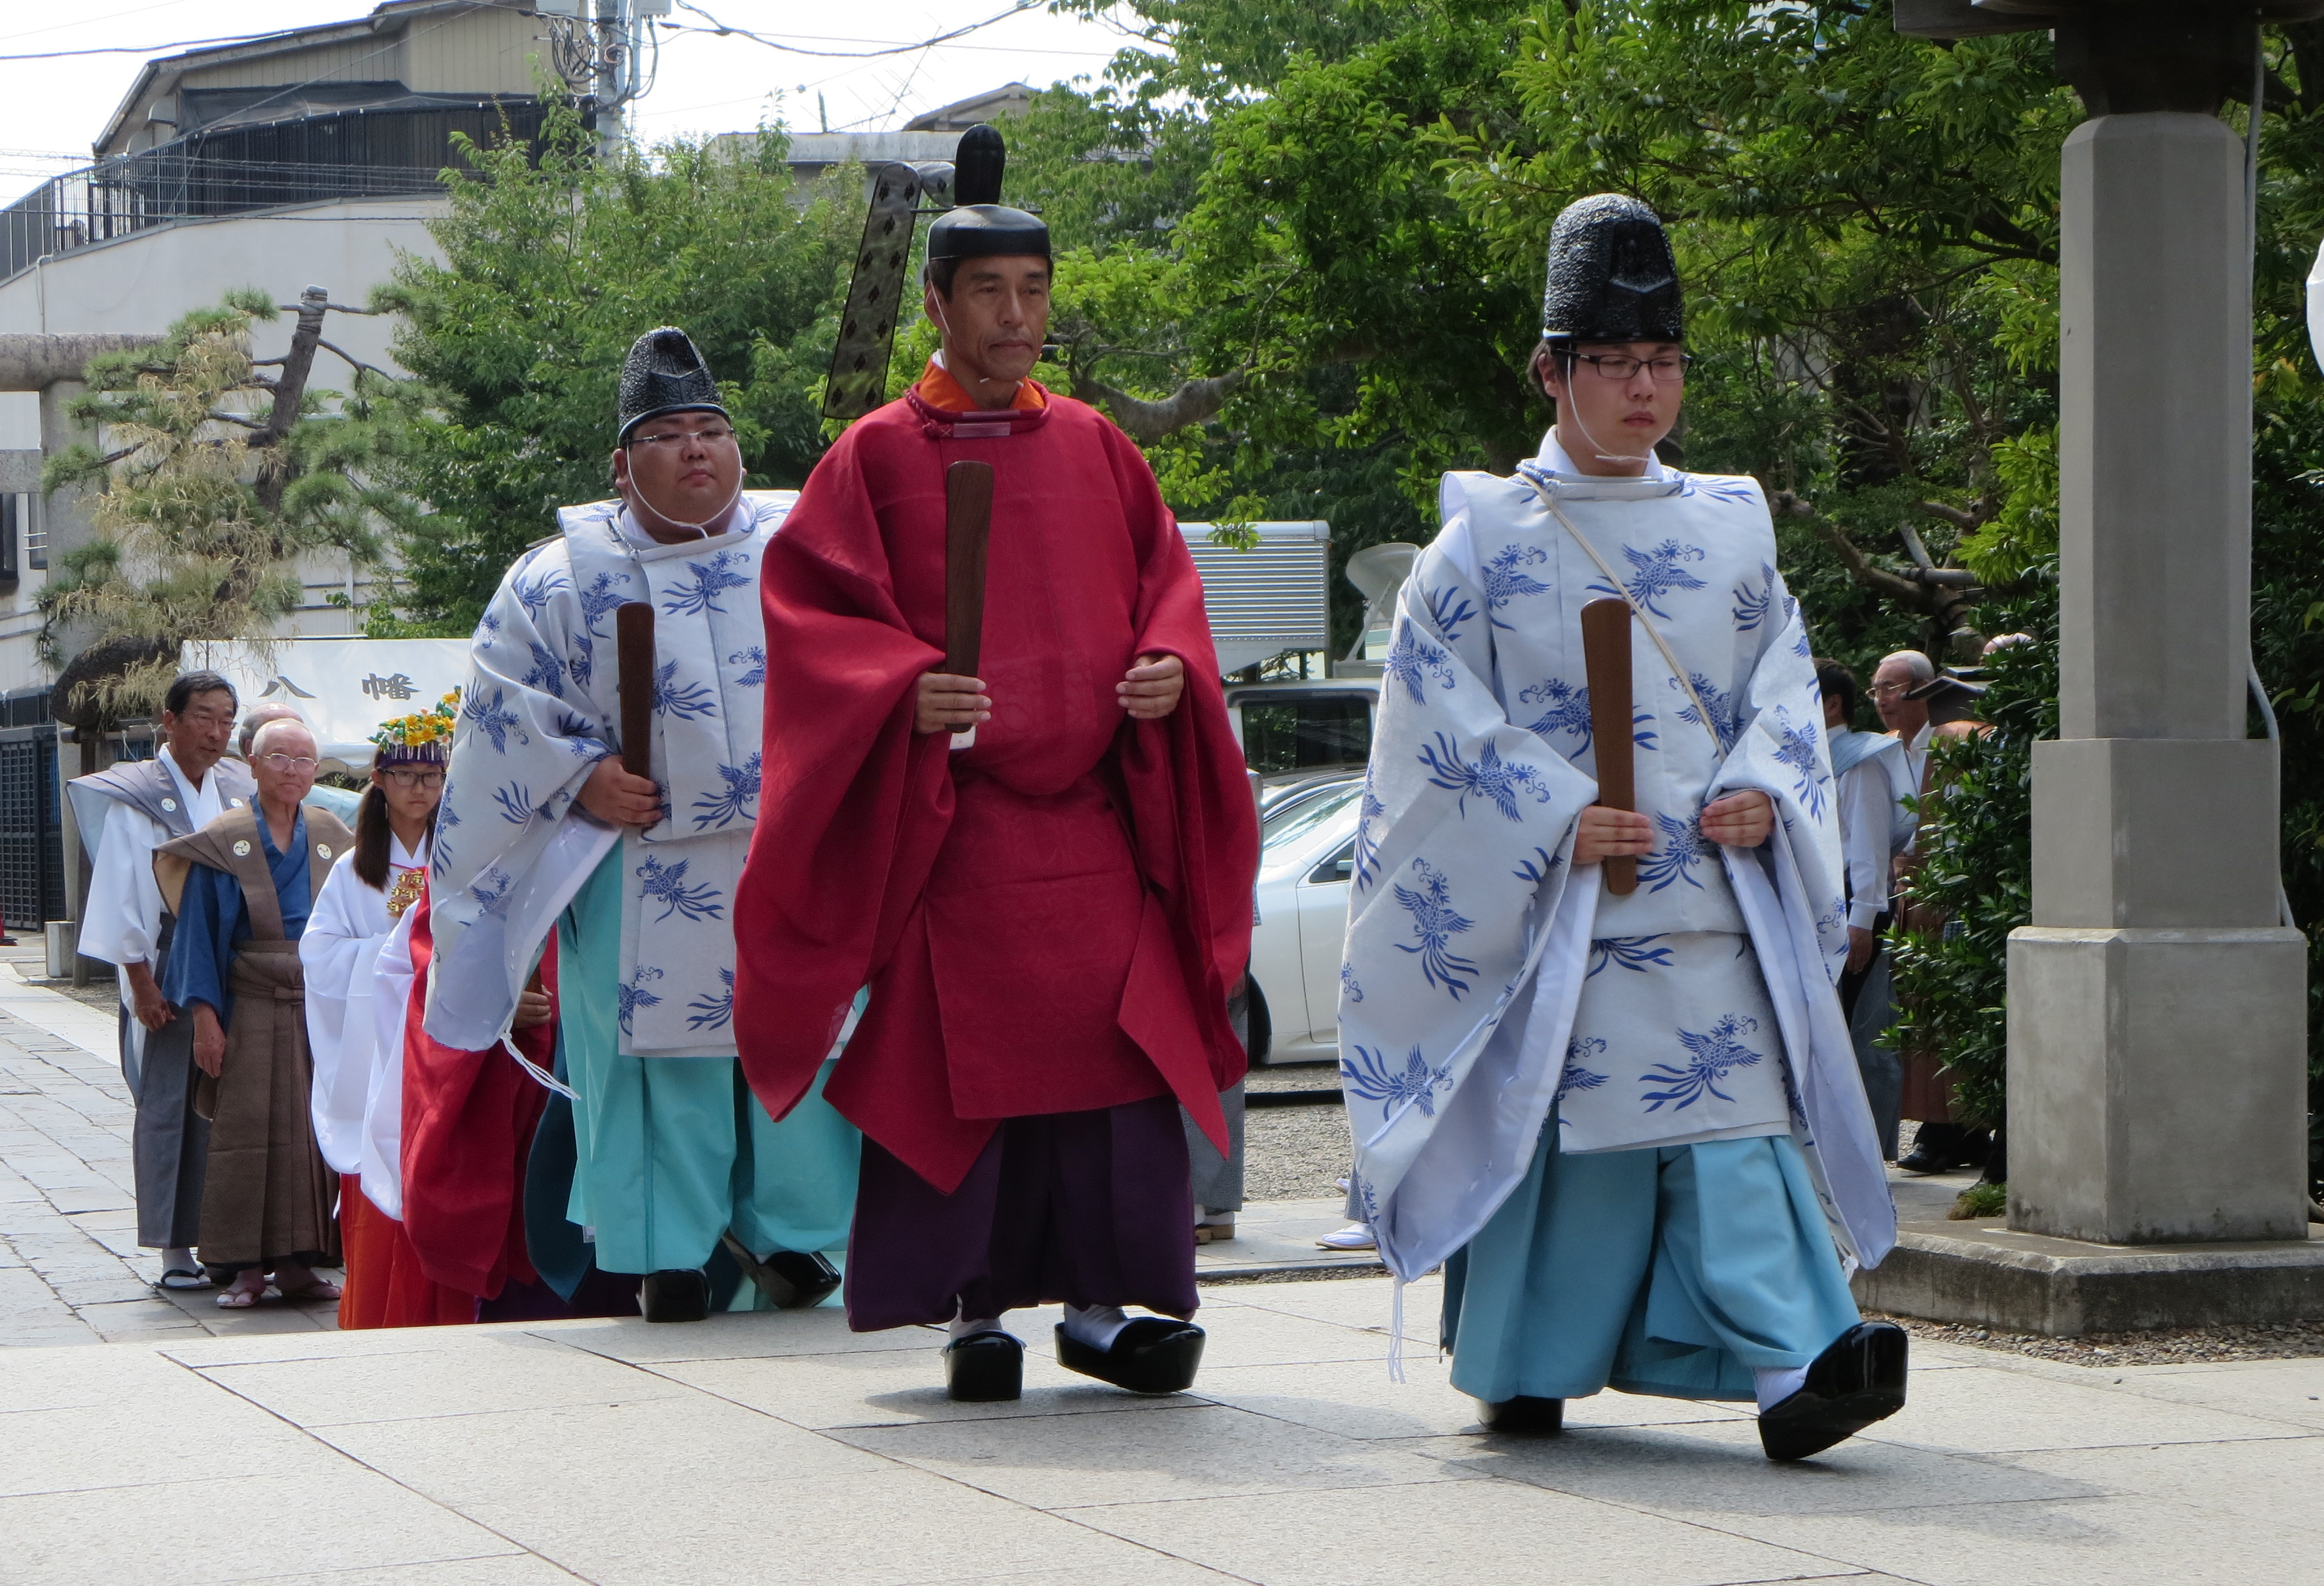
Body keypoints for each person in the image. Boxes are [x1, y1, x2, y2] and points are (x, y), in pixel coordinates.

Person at [1339, 193, 1903, 1462]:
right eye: (1612, 363)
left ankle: (1793, 1369)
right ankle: (1528, 1361)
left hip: (1708, 890)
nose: (1643, 389)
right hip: (1568, 909)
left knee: (1728, 1121)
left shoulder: (1733, 520)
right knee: (1570, 1135)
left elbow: (1782, 685)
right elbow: (1432, 723)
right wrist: (1549, 820)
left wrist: (1768, 784)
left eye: (1661, 363)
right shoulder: (1480, 539)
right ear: (1552, 370)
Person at [735, 190, 1259, 1403]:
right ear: (936, 302)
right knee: (956, 1081)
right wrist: (896, 689)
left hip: (1089, 825)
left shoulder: (1095, 443)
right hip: (953, 833)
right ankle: (973, 1312)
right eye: (989, 291)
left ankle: (1102, 1307)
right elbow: (812, 622)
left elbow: (1166, 587)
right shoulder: (870, 455)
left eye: (1033, 289)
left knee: (1115, 1086)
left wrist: (1166, 667)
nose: (1017, 315)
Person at [421, 326, 860, 1324]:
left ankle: (807, 1246)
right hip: (634, 863)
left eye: (713, 430)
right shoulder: (555, 577)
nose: (697, 449)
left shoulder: (806, 547)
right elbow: (498, 721)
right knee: (654, 1067)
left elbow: (870, 669)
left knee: (807, 1044)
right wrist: (581, 782)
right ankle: (665, 1257)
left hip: (790, 856)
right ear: (623, 466)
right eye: (669, 436)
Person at [302, 697, 494, 1327]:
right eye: (407, 776)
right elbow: (321, 958)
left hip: (440, 1040)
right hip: (377, 1039)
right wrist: (393, 956)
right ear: (379, 781)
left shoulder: (463, 860)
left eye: (434, 776)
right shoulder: (353, 873)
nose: (421, 788)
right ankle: (380, 1312)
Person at [72, 671, 256, 1292]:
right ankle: (175, 1245)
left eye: (227, 719)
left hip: (235, 962)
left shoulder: (238, 786)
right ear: (169, 721)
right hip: (166, 958)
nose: (216, 731)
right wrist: (141, 982)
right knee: (171, 1103)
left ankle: (229, 1239)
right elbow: (122, 892)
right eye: (203, 716)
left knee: (236, 1105)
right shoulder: (139, 795)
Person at [154, 719, 349, 1308]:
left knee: (312, 1136)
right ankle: (243, 1268)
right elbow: (197, 936)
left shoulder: (333, 834)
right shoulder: (227, 837)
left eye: (305, 761)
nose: (292, 770)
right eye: (280, 758)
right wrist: (206, 1021)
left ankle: (297, 1264)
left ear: (318, 772)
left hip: (317, 1005)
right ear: (254, 764)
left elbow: (379, 903)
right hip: (249, 1004)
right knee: (245, 1134)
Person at [1817, 659, 1912, 1160]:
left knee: (1864, 1030)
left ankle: (1870, 1150)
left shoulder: (1860, 761)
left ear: (1833, 704)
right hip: (1823, 905)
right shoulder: (1810, 757)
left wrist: (1862, 922)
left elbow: (1871, 849)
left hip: (1857, 910)